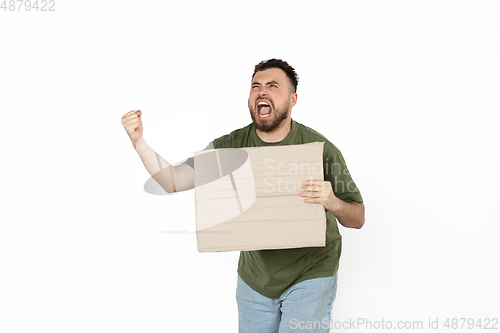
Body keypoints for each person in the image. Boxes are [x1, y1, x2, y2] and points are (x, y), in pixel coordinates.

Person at [121, 59, 365, 333]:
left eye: (273, 85)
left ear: (293, 98)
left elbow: (357, 218)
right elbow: (172, 181)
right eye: (256, 86)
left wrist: (332, 202)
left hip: (311, 271)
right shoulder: (230, 148)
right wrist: (139, 142)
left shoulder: (320, 150)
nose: (262, 91)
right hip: (256, 277)